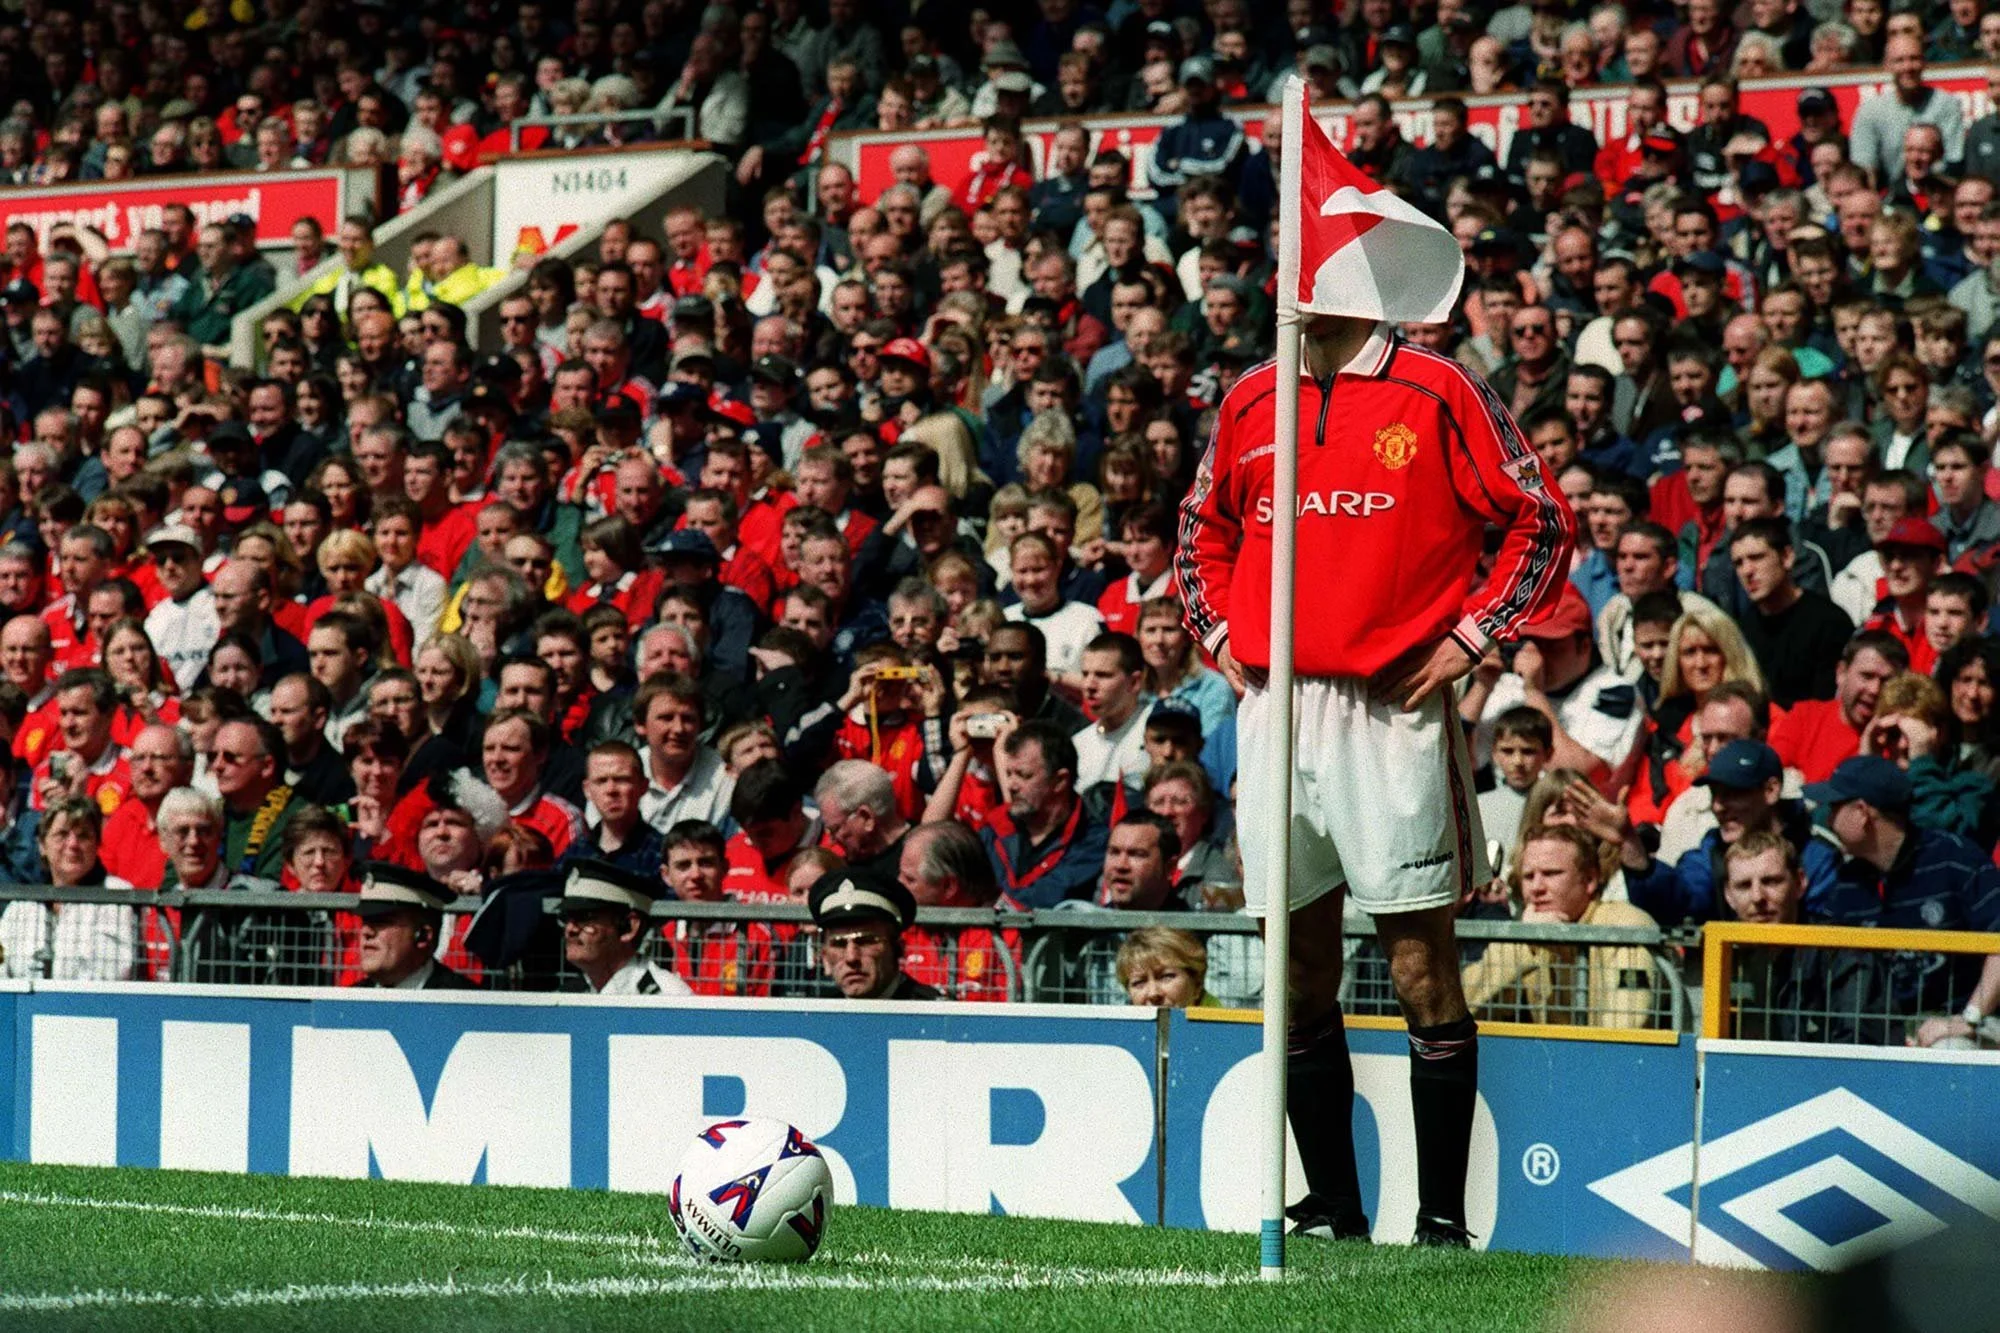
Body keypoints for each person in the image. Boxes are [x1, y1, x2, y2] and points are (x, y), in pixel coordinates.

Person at [1177, 300, 1575, 1246]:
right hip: (1275, 705)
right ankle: (1334, 1211)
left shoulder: (1440, 388)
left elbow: (1542, 521)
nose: (1297, 278)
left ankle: (1442, 1222)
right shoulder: (1251, 396)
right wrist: (1219, 628)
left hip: (1387, 708)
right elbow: (1202, 524)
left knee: (1418, 965)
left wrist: (1473, 637)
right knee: (1297, 963)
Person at [1807, 756, 2000, 1045]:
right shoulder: (1847, 882)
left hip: (1965, 1024)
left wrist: (1968, 1018)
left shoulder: (1955, 860)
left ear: (1862, 812)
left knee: (1950, 1050)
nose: (1828, 819)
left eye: (1835, 807)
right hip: (1880, 1030)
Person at [1460, 824, 1660, 1028]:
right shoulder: (1532, 928)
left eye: (1551, 873)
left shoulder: (1626, 927)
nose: (1536, 888)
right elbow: (1462, 1008)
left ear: (1589, 879)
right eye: (1528, 876)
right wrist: (1525, 941)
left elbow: (1626, 1029)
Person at [979, 721, 1109, 908]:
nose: (1011, 786)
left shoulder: (1093, 839)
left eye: (1023, 775)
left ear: (1059, 781)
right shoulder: (994, 830)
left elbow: (1046, 898)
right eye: (1009, 774)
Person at [555, 857, 695, 996]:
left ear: (629, 927)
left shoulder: (667, 998)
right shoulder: (567, 995)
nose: (570, 929)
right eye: (566, 918)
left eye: (585, 918)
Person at [806, 866, 940, 1000]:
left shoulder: (933, 1012)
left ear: (898, 949)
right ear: (825, 958)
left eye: (865, 941)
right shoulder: (818, 1015)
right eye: (839, 944)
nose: (851, 958)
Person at [350, 862, 478, 989]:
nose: (366, 932)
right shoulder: (351, 1002)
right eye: (365, 921)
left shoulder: (464, 1003)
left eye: (382, 921)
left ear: (423, 936)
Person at [1116, 926, 1216, 1007]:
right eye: (1139, 982)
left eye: (1166, 977)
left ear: (1197, 984)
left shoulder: (1223, 1029)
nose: (1153, 993)